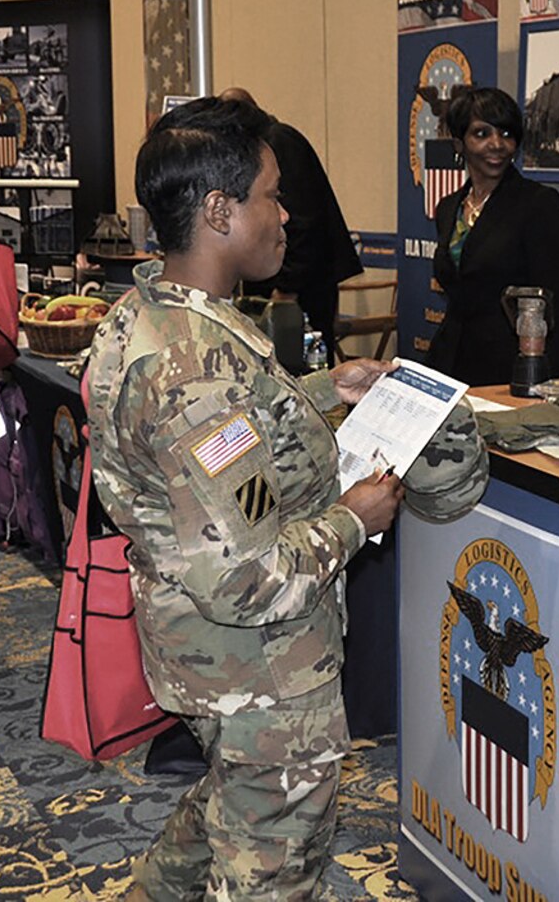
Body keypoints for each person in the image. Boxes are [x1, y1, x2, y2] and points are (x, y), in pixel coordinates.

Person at [86, 96, 487, 900]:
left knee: (225, 809)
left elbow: (216, 446)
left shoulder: (153, 316)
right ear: (218, 210)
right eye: (272, 194)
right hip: (260, 672)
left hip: (205, 657)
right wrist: (355, 519)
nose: (286, 213)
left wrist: (316, 390)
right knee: (271, 860)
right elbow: (247, 575)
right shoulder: (195, 371)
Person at [426, 85, 559, 387]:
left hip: (510, 372)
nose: (497, 144)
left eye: (506, 134)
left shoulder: (539, 203)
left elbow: (556, 305)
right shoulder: (448, 208)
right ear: (459, 144)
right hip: (449, 364)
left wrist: (546, 383)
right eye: (481, 134)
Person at [217, 87, 364, 339]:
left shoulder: (279, 142)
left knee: (302, 363)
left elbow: (304, 221)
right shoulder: (264, 146)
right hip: (279, 281)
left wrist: (287, 289)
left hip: (300, 287)